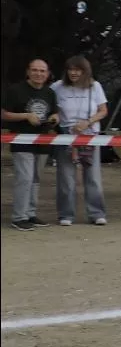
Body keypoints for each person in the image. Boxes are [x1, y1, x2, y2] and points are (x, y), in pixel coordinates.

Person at [49, 55, 109, 226]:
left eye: (77, 70)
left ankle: (97, 213)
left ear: (85, 71)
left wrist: (88, 122)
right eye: (71, 69)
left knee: (93, 177)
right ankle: (66, 214)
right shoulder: (57, 87)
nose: (73, 73)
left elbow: (103, 110)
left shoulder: (95, 86)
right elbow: (54, 110)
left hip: (90, 135)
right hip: (66, 136)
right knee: (66, 178)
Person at [3, 58, 59, 230]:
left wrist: (56, 118)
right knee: (25, 178)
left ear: (48, 74)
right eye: (35, 70)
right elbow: (4, 114)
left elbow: (55, 111)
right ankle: (19, 217)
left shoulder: (50, 93)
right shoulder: (15, 90)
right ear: (28, 72)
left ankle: (31, 214)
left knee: (35, 179)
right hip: (22, 140)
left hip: (42, 141)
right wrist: (25, 116)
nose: (39, 74)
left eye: (42, 71)